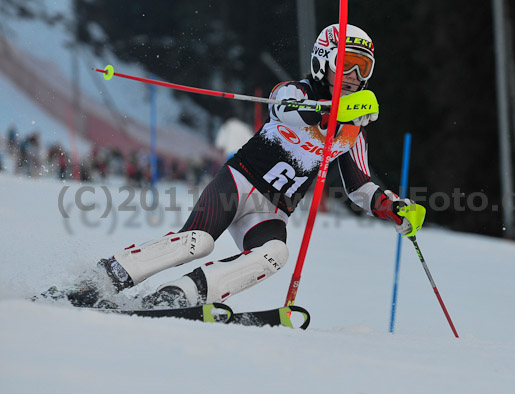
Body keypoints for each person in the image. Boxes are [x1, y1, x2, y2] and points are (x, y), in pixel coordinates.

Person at [97, 24, 426, 308]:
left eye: (363, 68)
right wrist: (332, 110)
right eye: (349, 65)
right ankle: (108, 275)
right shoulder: (300, 92)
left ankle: (179, 295)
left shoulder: (354, 131)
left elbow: (361, 187)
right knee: (197, 241)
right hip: (239, 184)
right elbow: (284, 108)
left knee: (274, 254)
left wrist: (394, 207)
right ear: (324, 59)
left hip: (272, 209)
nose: (355, 77)